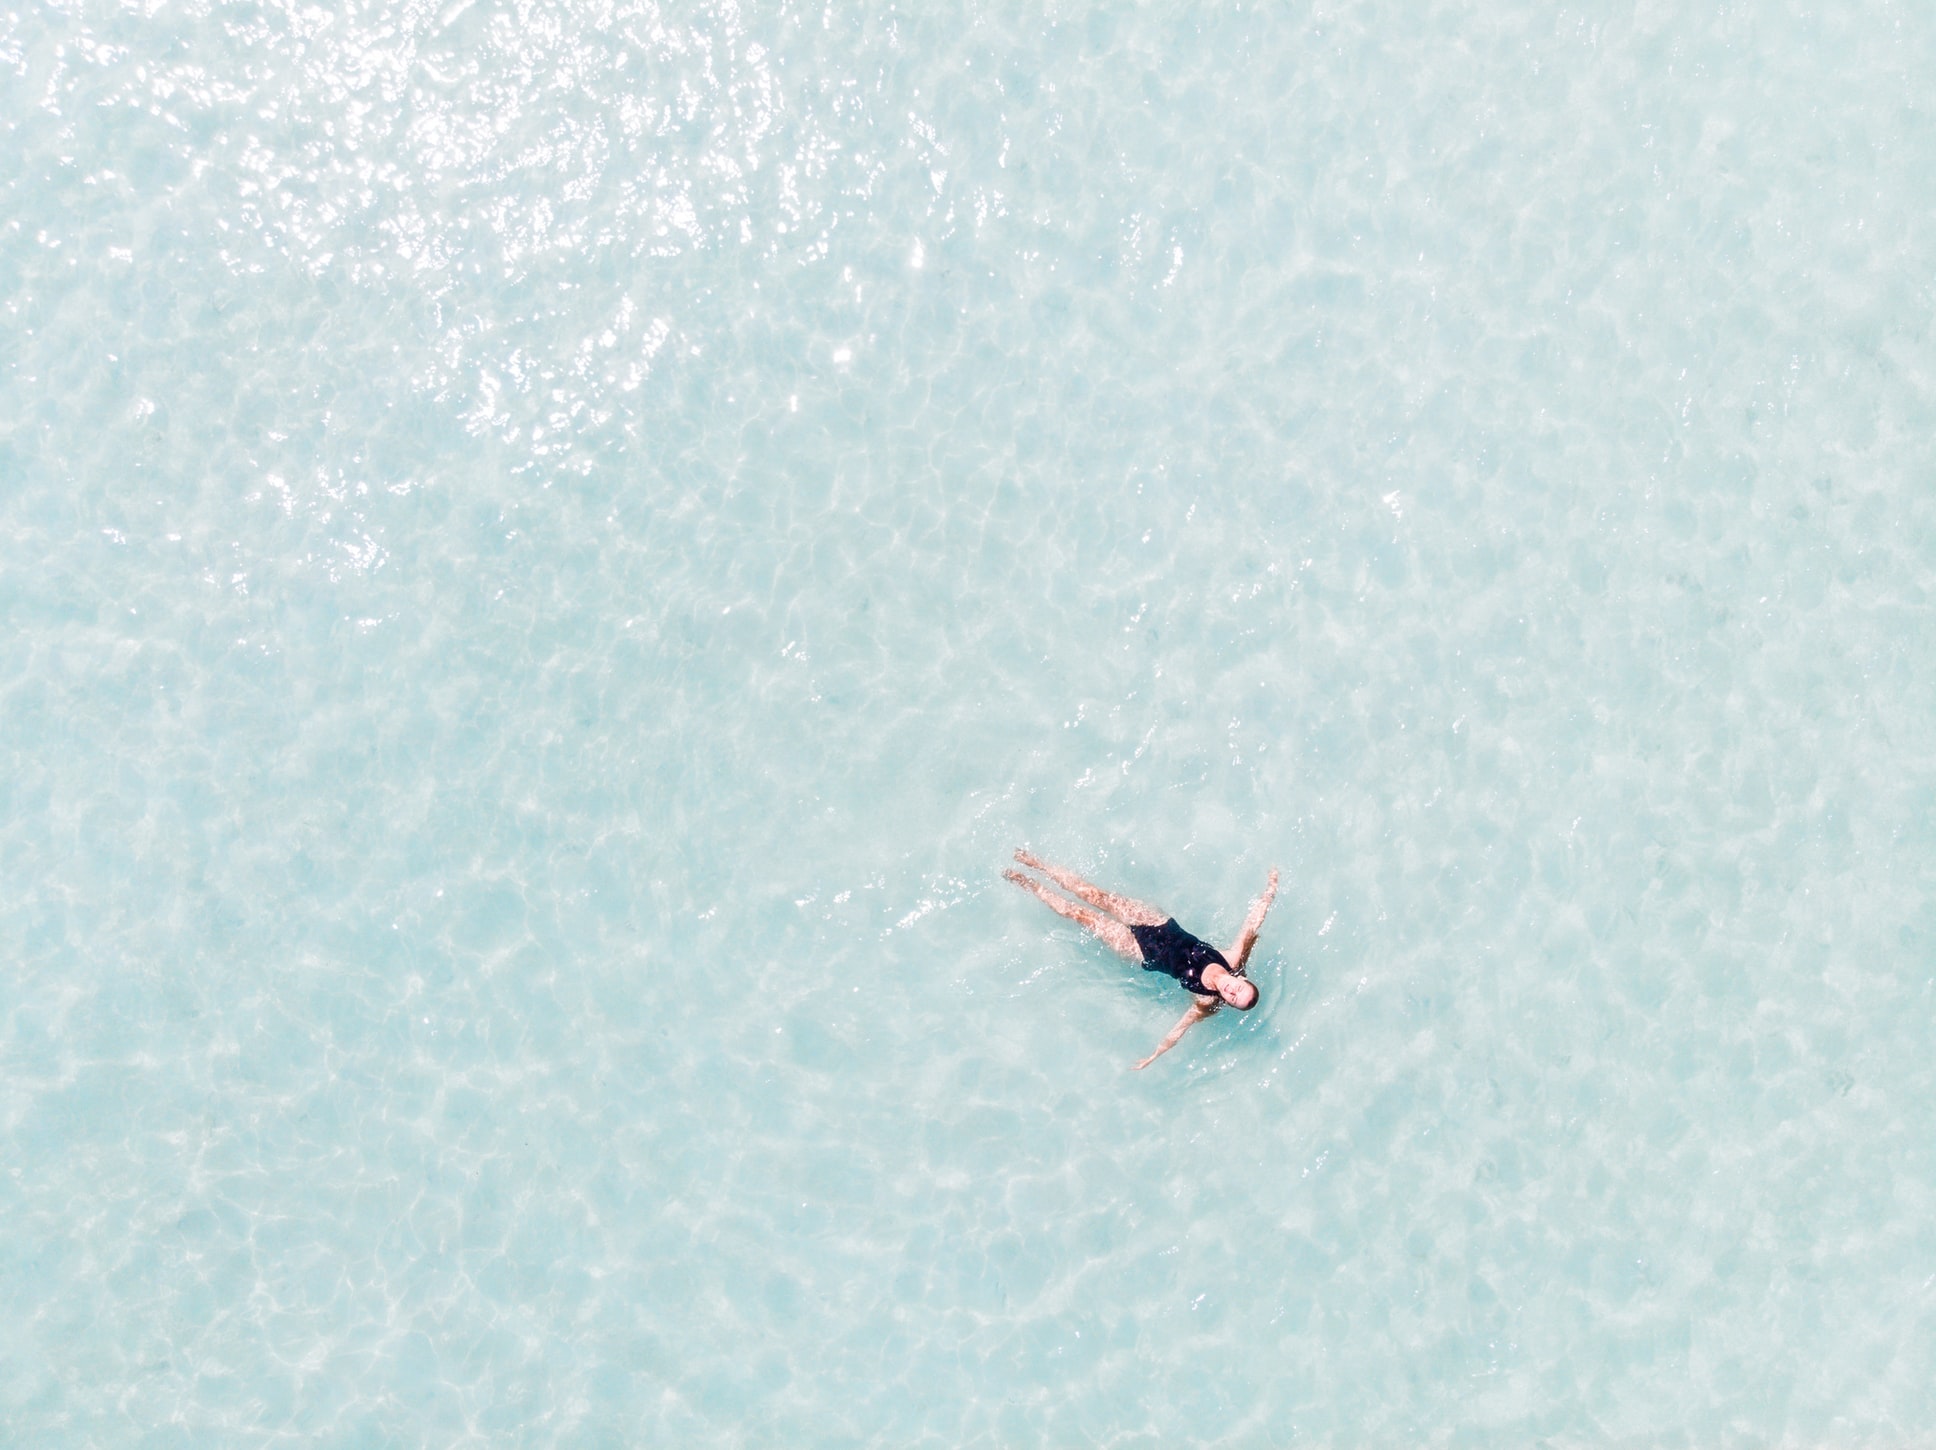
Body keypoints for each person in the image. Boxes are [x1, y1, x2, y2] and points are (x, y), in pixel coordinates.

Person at [1003, 849, 1280, 1069]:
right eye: (1239, 989)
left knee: (1081, 915)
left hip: (1142, 951)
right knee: (1093, 894)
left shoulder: (1206, 1000)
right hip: (1157, 922)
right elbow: (1252, 924)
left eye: (1234, 999)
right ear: (1241, 978)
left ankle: (1027, 884)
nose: (1232, 992)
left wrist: (1154, 1055)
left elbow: (1180, 1029)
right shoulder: (1231, 957)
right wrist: (1270, 890)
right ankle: (1037, 863)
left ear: (1229, 1003)